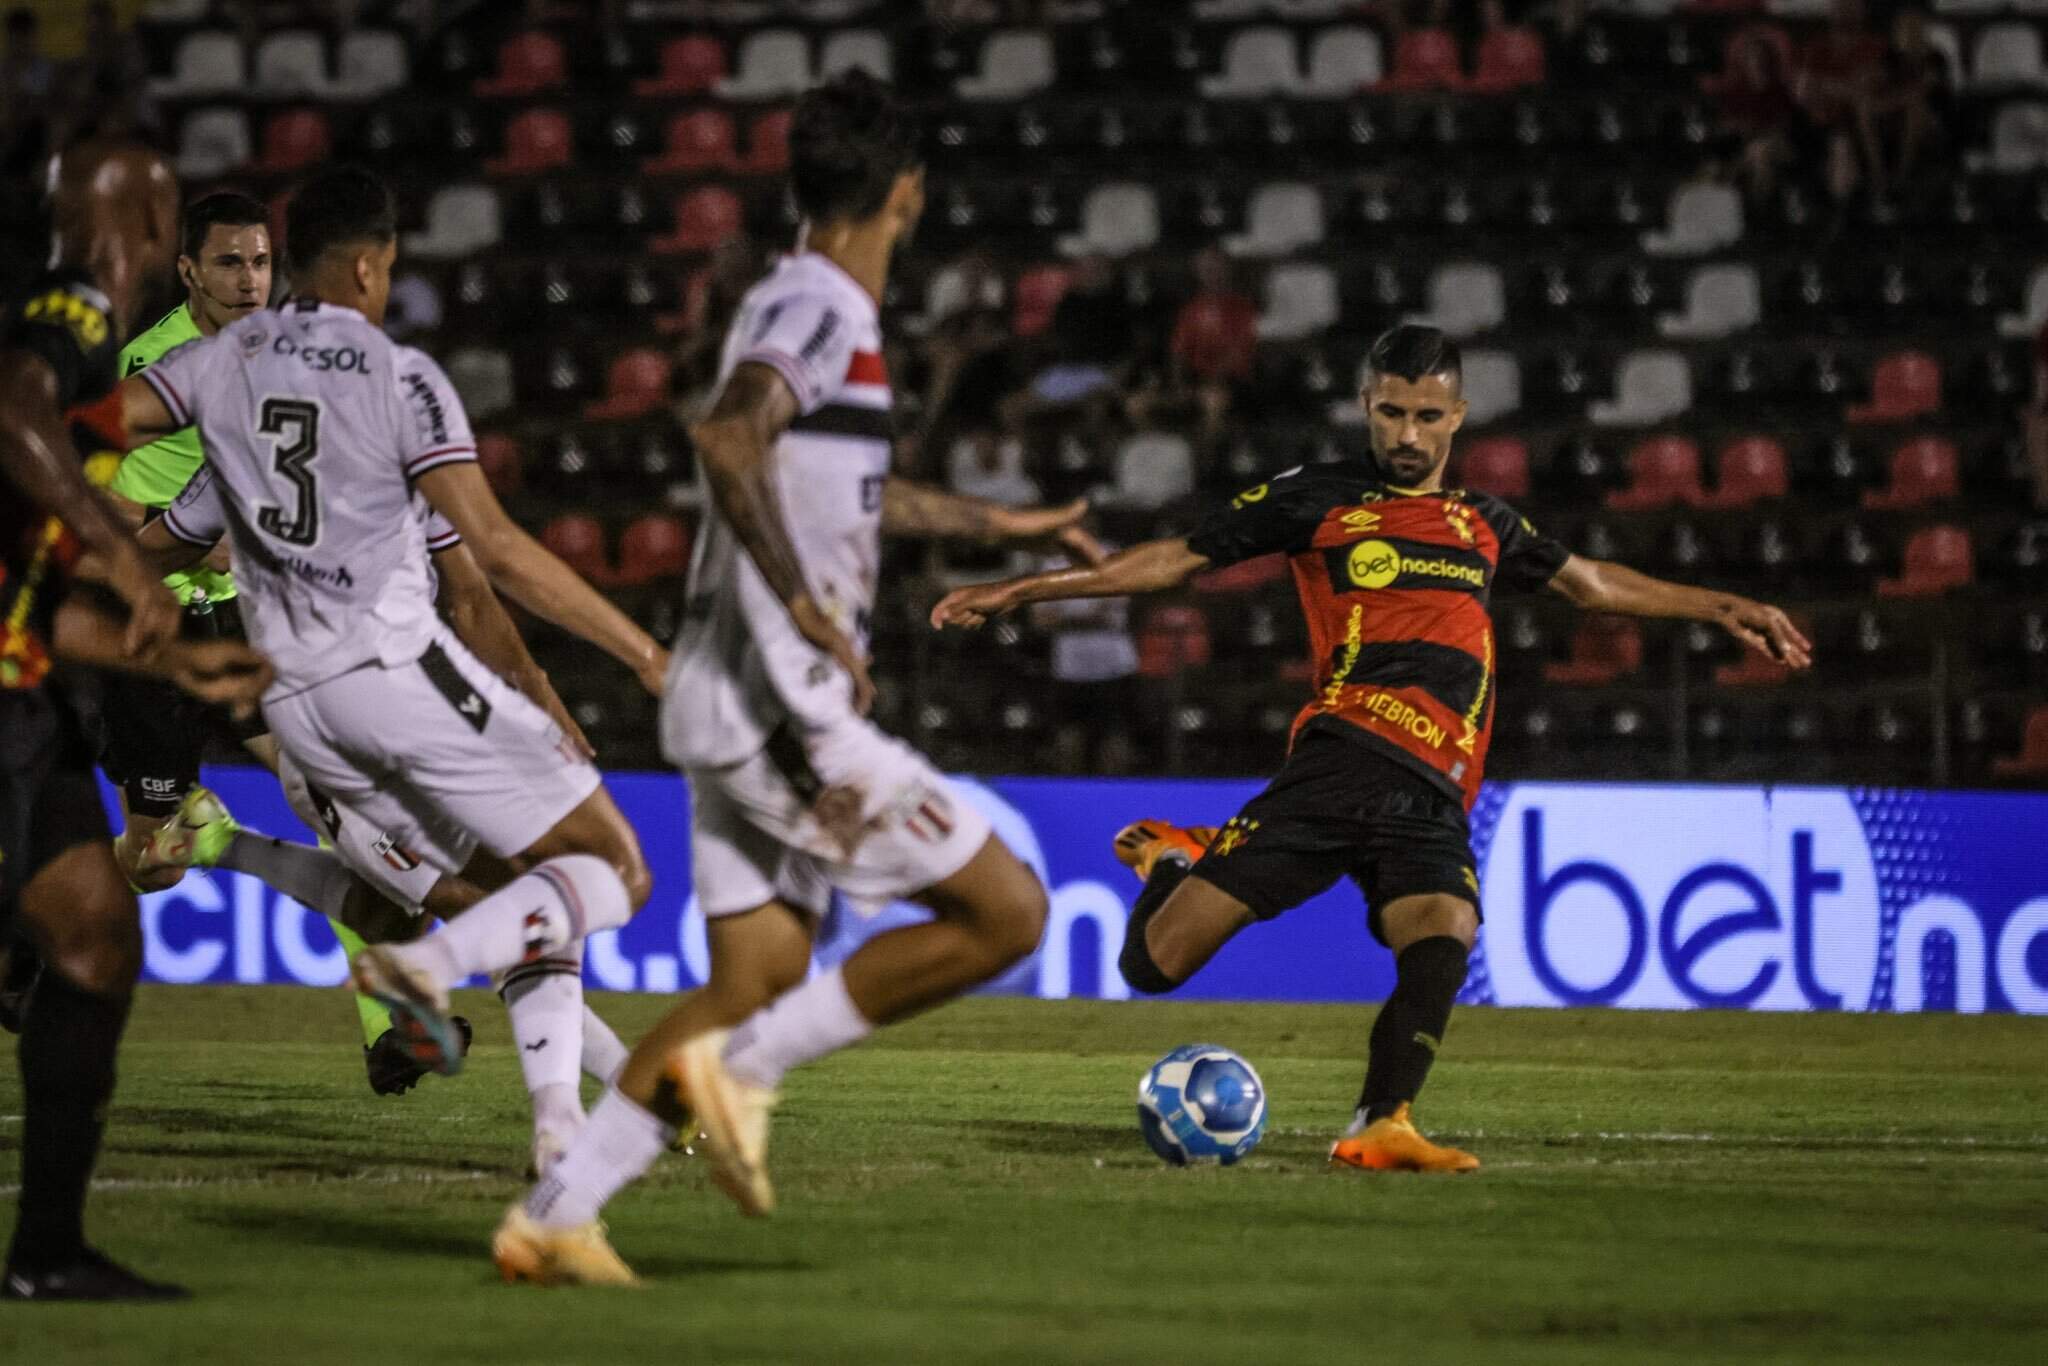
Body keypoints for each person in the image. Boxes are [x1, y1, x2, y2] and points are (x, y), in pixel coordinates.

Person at [934, 324, 1814, 1173]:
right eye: (1392, 413)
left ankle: (1381, 1123)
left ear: (1459, 416)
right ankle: (1173, 862)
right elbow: (1175, 558)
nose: (1408, 433)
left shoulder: (1483, 522)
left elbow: (1589, 584)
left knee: (1445, 928)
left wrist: (1719, 605)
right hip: (1344, 754)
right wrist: (1027, 591)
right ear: (1366, 406)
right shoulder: (1319, 498)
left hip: (1434, 781)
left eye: (1428, 416)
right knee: (1152, 965)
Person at [493, 72, 1100, 1287]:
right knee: (1009, 913)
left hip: (734, 702)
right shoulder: (822, 302)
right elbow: (728, 434)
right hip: (778, 707)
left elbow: (851, 491)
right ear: (907, 194)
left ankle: (557, 1212)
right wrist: (809, 604)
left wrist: (999, 522)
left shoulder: (802, 308)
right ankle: (749, 1074)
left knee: (755, 976)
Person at [110, 167, 664, 1126]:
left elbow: (148, 525)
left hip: (295, 712)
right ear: (373, 265)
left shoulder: (225, 376)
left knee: (425, 897)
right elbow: (488, 561)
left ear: (290, 265)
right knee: (603, 873)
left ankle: (578, 1129)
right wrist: (644, 657)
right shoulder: (401, 381)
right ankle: (465, 1001)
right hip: (392, 684)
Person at [0, 139, 272, 1301]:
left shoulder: (109, 355)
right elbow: (14, 415)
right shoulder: (72, 308)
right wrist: (127, 555)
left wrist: (181, 662)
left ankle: (48, 1256)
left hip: (30, 683)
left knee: (98, 934)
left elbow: (41, 592)